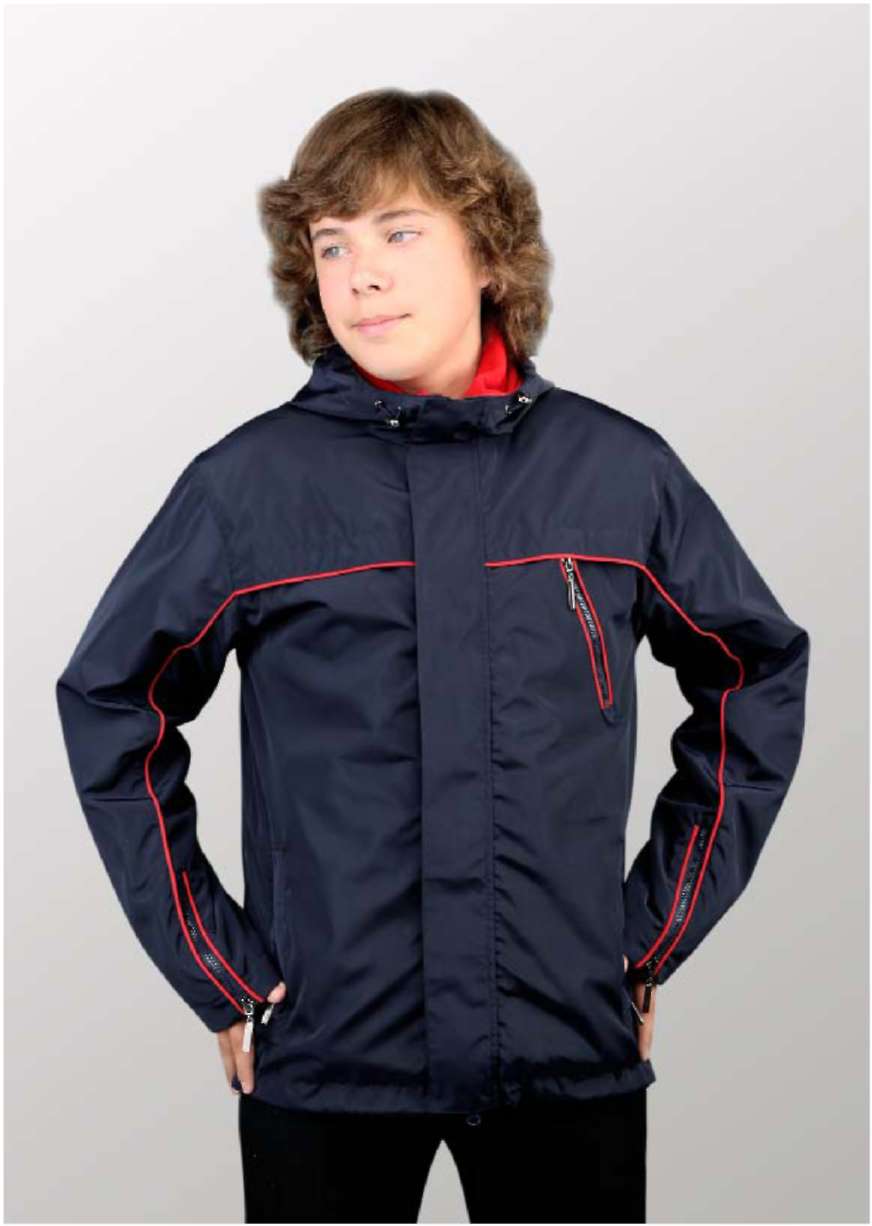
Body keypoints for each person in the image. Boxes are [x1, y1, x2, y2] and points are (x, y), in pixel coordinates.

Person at [55, 88, 810, 1224]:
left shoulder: (616, 473)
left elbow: (753, 673)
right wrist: (217, 967)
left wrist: (648, 938)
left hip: (564, 1046)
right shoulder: (249, 488)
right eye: (331, 244)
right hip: (328, 1055)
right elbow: (114, 700)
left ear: (489, 252)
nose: (360, 275)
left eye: (399, 232)